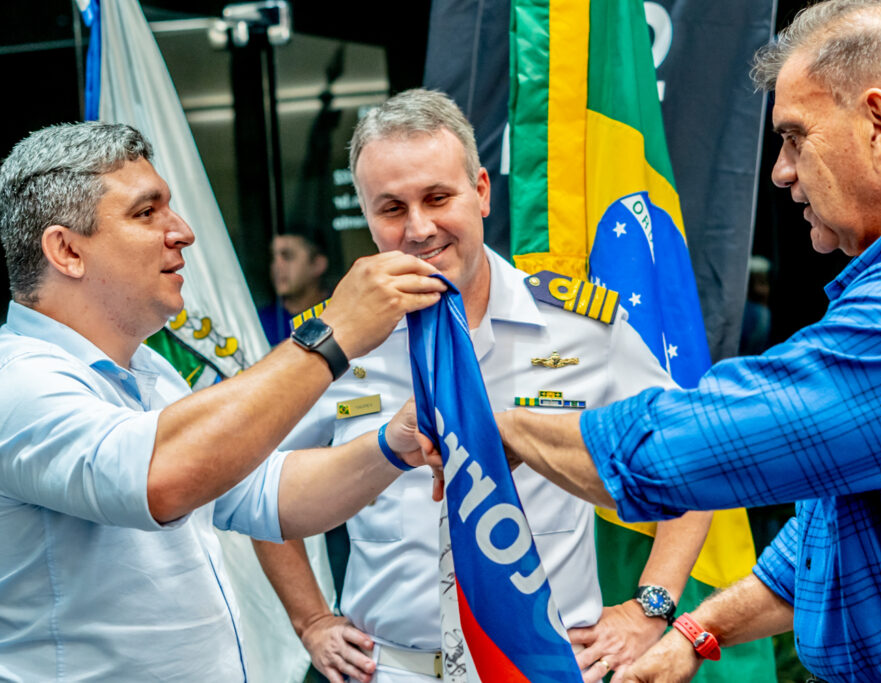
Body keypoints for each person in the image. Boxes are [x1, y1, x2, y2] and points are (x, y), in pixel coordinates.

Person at [494, 1, 881, 681]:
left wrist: (499, 425)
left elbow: (691, 449)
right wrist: (696, 630)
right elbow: (837, 519)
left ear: (878, 124)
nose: (780, 170)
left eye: (795, 136)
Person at [252, 89, 713, 683]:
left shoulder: (581, 327)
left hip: (543, 668)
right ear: (366, 216)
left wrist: (652, 608)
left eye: (438, 197)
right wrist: (311, 619)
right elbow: (252, 478)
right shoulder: (331, 342)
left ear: (482, 192)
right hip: (393, 670)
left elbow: (693, 456)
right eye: (391, 208)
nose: (418, 229)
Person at [0, 121, 448, 680]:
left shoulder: (150, 371)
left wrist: (393, 445)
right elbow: (159, 478)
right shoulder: (15, 382)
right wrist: (333, 334)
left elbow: (268, 495)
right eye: (147, 213)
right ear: (66, 250)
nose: (182, 232)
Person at [259, 232, 330, 345]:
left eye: (287, 256)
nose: (276, 266)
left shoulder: (339, 311)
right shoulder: (259, 323)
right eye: (272, 257)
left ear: (318, 264)